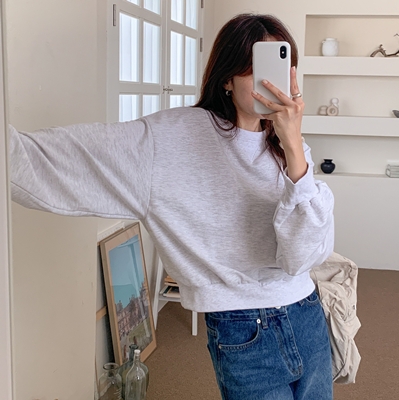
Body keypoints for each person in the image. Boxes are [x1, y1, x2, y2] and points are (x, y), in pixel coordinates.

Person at [9, 13, 334, 400]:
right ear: (227, 78)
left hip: (306, 312)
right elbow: (50, 160)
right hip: (243, 327)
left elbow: (301, 258)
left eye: (281, 67)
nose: (272, 83)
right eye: (255, 67)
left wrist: (294, 146)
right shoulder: (168, 140)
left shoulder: (290, 148)